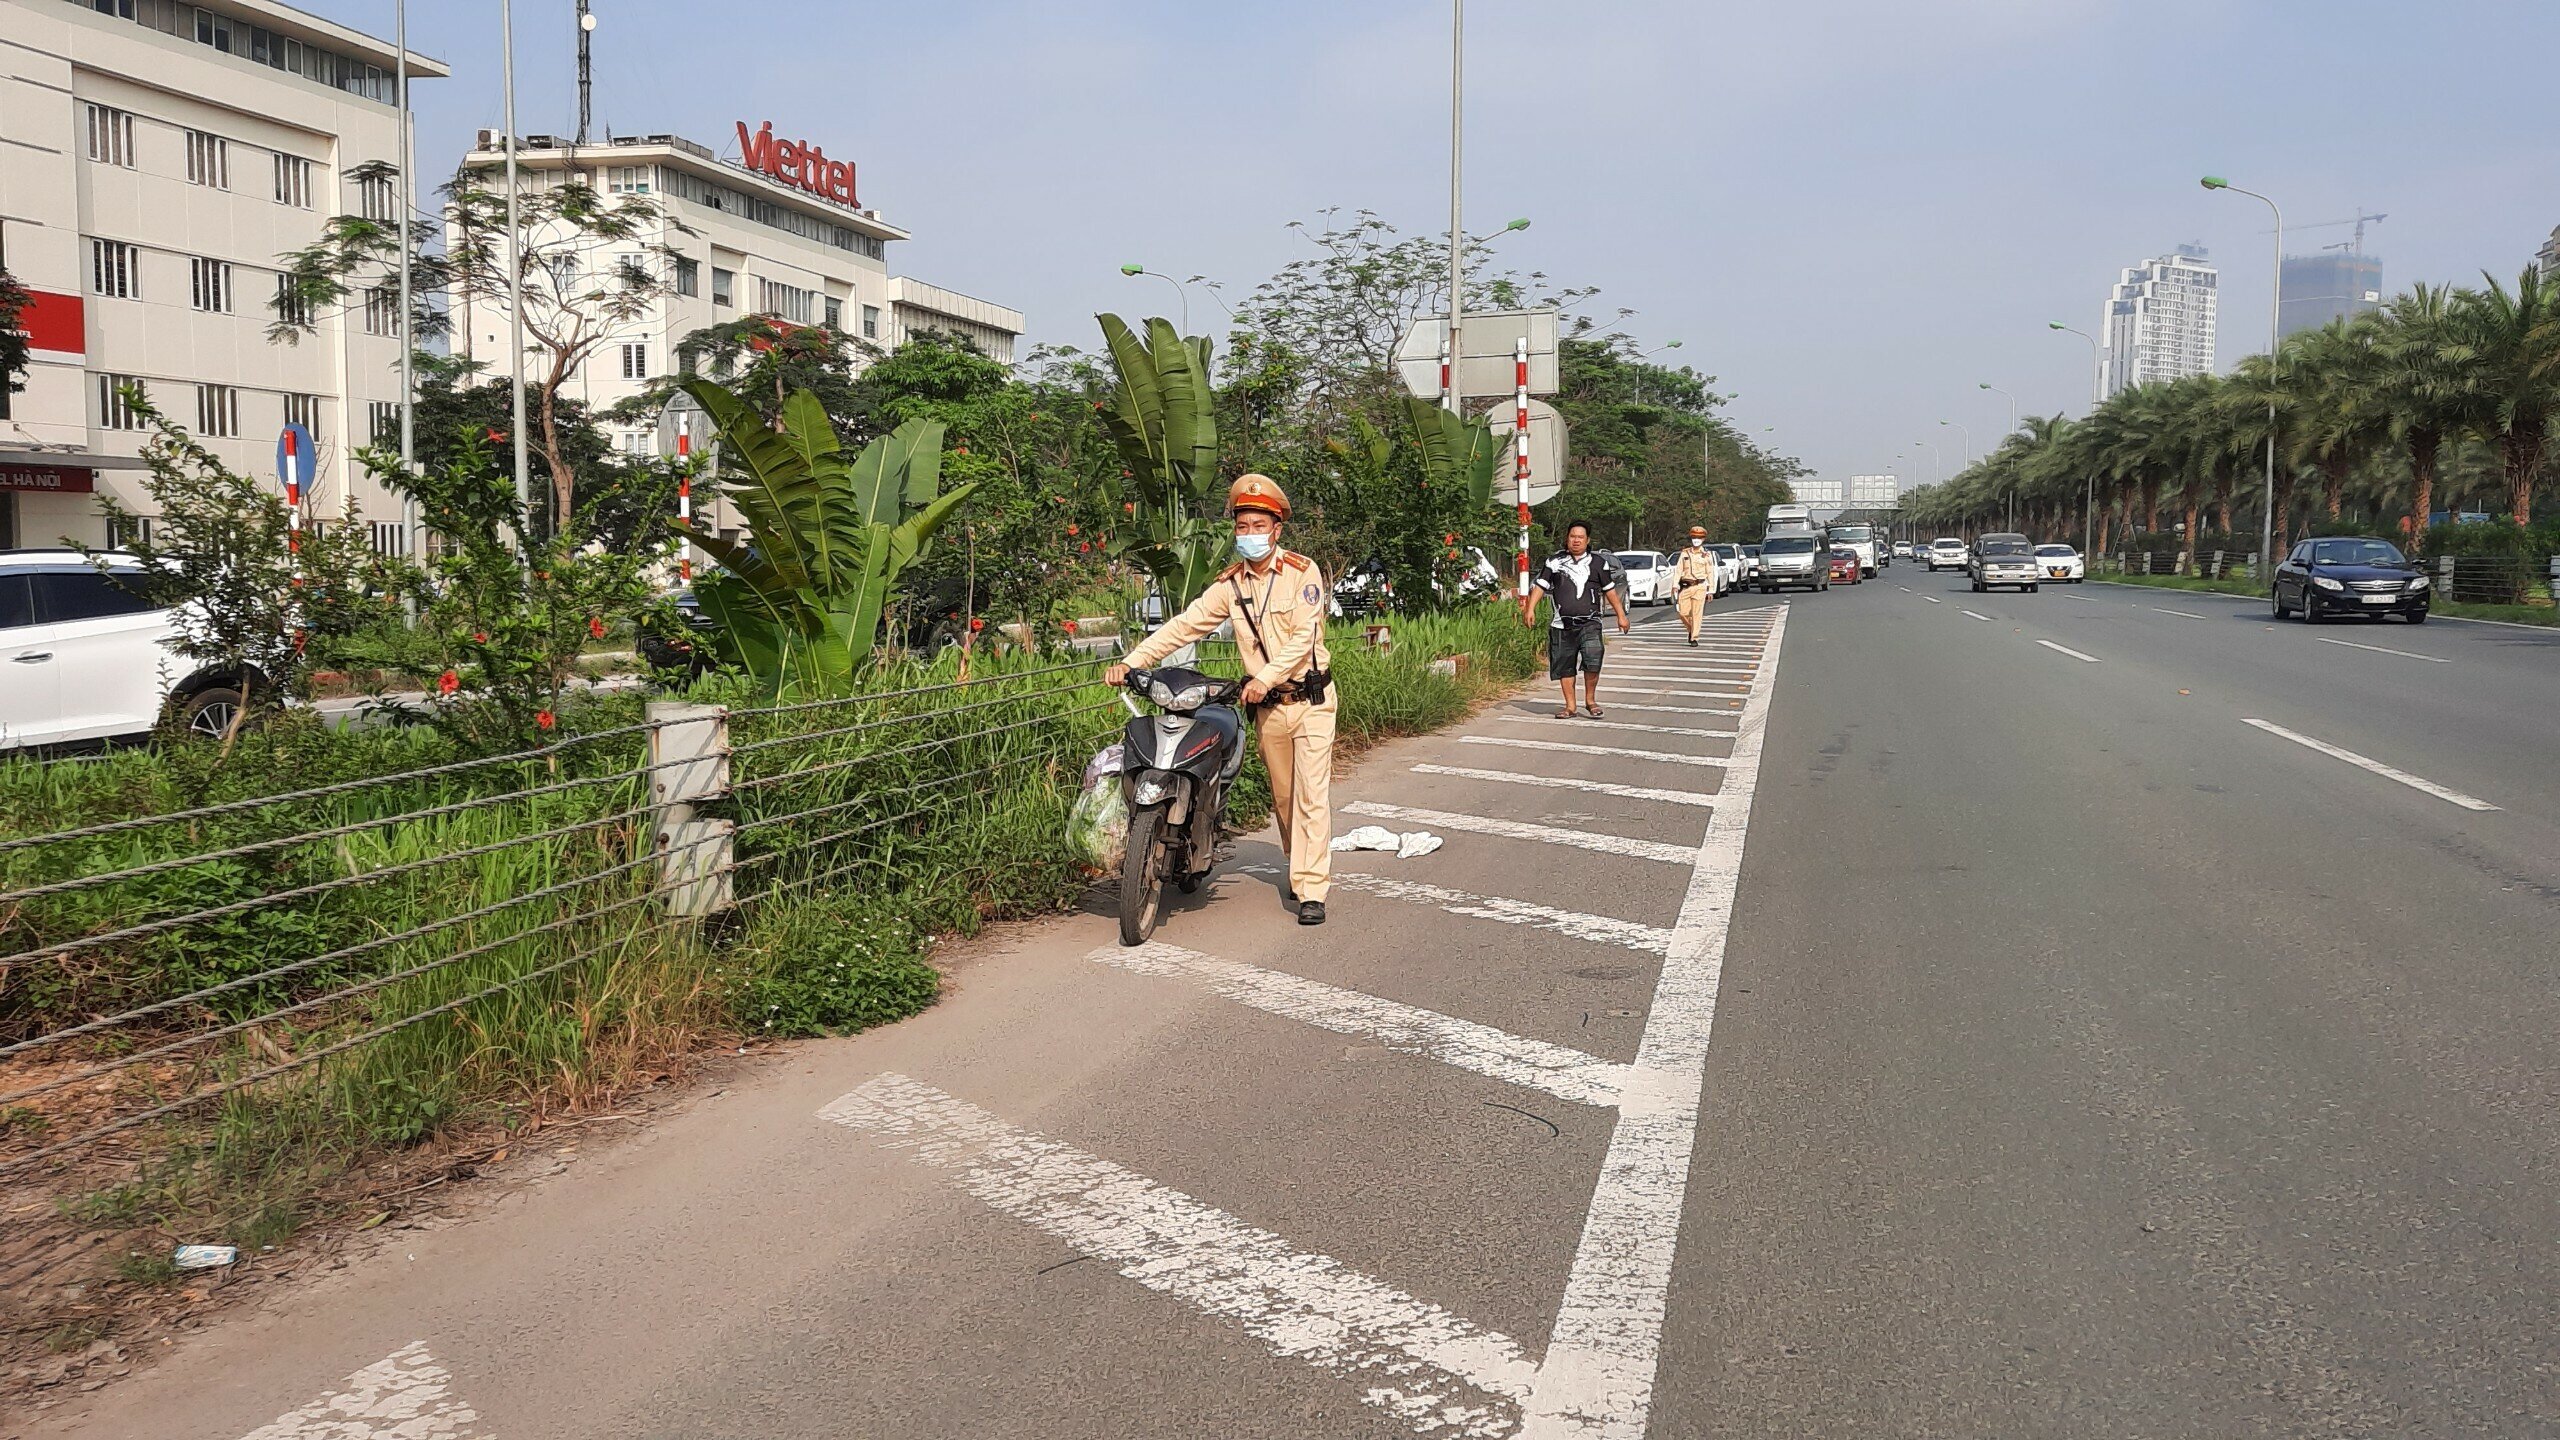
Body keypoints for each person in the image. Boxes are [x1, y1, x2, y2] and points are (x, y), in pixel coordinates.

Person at [1107, 474, 1338, 926]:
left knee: (1312, 795)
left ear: (1276, 529)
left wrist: (1264, 677)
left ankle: (1311, 888)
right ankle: (1300, 861)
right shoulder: (1230, 586)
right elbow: (1184, 625)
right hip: (1268, 708)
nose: (1250, 534)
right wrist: (1132, 662)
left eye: (1259, 525)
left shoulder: (1301, 572)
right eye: (1242, 526)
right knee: (1285, 797)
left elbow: (1303, 637)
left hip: (1311, 700)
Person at [1521, 520, 1630, 718]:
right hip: (1561, 624)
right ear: (1567, 539)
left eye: (1580, 537)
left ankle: (1590, 701)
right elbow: (1540, 586)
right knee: (1565, 665)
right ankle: (1570, 706)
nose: (1576, 540)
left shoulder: (1599, 563)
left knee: (1593, 659)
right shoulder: (1554, 562)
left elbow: (1610, 590)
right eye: (1573, 536)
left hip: (1590, 622)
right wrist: (1530, 609)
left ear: (1587, 540)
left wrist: (1621, 615)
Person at [1672, 525, 1717, 645]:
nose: (1696, 540)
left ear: (1703, 539)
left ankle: (1694, 638)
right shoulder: (1685, 553)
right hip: (1686, 586)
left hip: (1700, 586)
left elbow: (1710, 573)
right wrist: (1675, 585)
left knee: (1697, 614)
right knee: (1682, 612)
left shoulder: (1706, 555)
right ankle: (1691, 629)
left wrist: (1711, 590)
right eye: (1694, 537)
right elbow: (1678, 569)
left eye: (1699, 538)